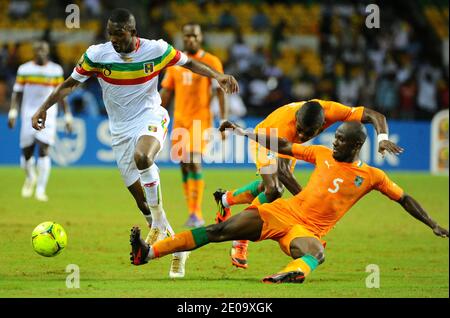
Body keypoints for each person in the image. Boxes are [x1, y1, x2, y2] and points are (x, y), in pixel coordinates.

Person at [31, 9, 239, 278]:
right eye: (111, 34)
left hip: (151, 116)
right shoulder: (97, 55)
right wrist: (44, 107)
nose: (114, 40)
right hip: (119, 131)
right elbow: (70, 84)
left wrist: (217, 76)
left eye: (119, 34)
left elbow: (189, 63)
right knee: (143, 204)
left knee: (144, 157)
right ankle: (177, 248)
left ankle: (159, 224)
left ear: (132, 32)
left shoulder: (156, 50)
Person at [129, 120, 448, 284]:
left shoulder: (373, 176)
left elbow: (404, 199)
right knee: (218, 230)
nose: (333, 142)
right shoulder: (321, 154)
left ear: (356, 145)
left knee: (317, 252)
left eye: (340, 140)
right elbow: (282, 144)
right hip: (282, 212)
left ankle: (292, 272)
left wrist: (433, 223)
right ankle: (149, 252)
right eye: (334, 137)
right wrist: (245, 131)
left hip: (307, 230)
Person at [213, 99, 404, 269]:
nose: (303, 136)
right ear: (296, 120)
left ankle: (226, 199)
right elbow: (284, 173)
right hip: (268, 138)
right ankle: (241, 240)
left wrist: (383, 139)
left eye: (308, 133)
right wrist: (311, 204)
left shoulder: (331, 110)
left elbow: (374, 115)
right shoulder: (284, 127)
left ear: (322, 126)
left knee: (268, 186)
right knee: (274, 189)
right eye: (300, 130)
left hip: (288, 143)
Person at [160, 23, 227, 228]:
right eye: (186, 35)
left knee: (194, 160)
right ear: (183, 37)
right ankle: (192, 212)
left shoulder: (211, 61)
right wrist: (155, 115)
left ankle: (196, 214)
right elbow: (166, 92)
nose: (190, 39)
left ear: (200, 37)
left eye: (194, 35)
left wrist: (223, 119)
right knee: (184, 165)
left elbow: (220, 90)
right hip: (180, 120)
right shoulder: (175, 63)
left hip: (200, 121)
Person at [7, 41, 73, 202]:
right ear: (34, 52)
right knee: (27, 154)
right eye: (38, 50)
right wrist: (13, 112)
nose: (41, 53)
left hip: (48, 114)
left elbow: (61, 94)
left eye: (44, 50)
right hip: (28, 113)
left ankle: (41, 190)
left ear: (48, 51)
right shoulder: (24, 69)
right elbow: (17, 93)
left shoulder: (55, 70)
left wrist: (68, 116)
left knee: (44, 150)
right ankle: (30, 177)